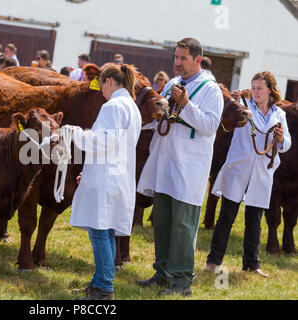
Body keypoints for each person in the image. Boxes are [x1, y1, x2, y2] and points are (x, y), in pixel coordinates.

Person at [136, 37, 224, 296]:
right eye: (176, 57)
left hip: (189, 167)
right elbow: (160, 116)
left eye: (183, 58)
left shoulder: (211, 90)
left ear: (197, 59)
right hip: (165, 162)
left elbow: (209, 126)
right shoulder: (173, 84)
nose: (177, 63)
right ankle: (162, 273)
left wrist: (186, 105)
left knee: (183, 226)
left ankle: (183, 281)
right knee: (162, 222)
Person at [205, 71, 291, 277]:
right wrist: (233, 102)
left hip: (262, 173)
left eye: (259, 88)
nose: (255, 92)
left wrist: (280, 139)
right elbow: (227, 115)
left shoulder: (280, 115)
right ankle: (213, 262)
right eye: (253, 88)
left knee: (254, 220)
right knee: (226, 217)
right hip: (239, 169)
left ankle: (252, 264)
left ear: (270, 90)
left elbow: (286, 145)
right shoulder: (243, 108)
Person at [67, 63, 142, 300]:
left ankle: (104, 288)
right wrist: (89, 171)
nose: (101, 90)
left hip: (107, 179)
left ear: (109, 81)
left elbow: (102, 142)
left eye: (101, 85)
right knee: (107, 231)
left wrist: (74, 133)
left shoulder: (113, 107)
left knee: (100, 232)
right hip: (117, 175)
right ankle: (100, 281)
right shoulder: (131, 106)